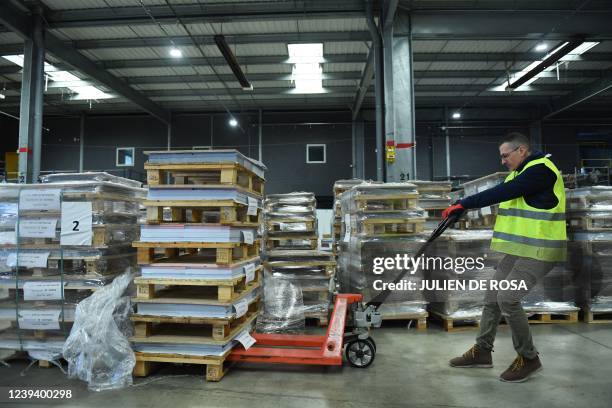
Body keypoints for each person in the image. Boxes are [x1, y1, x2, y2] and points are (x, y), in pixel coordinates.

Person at [441, 132, 567, 383]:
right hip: (521, 249)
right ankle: (482, 351)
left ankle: (529, 358)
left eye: (505, 155)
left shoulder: (541, 170)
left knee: (508, 298)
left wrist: (465, 203)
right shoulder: (519, 174)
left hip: (541, 249)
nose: (502, 161)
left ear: (522, 150)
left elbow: (503, 192)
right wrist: (462, 210)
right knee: (492, 295)